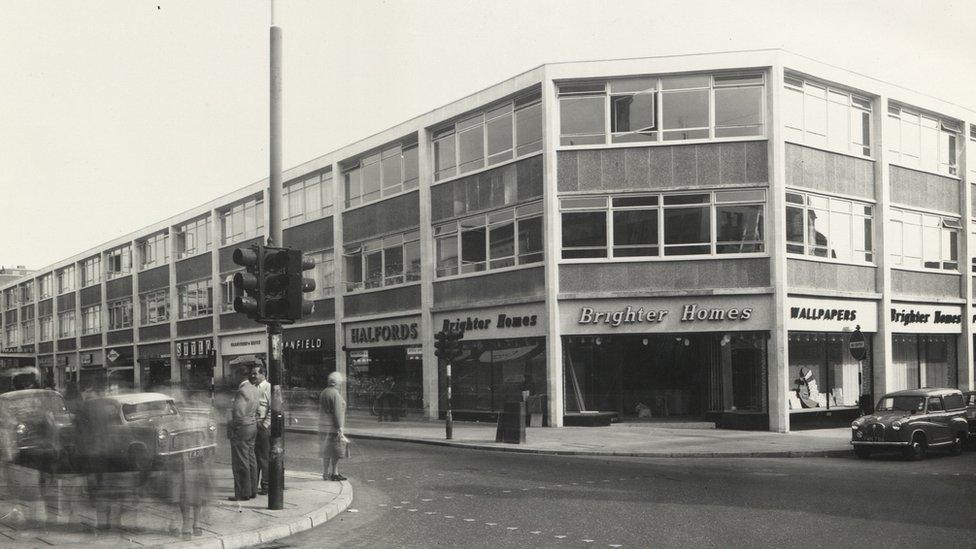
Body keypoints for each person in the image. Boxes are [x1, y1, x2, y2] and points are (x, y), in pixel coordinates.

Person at [229, 375, 261, 501]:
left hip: (242, 428)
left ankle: (243, 493)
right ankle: (253, 490)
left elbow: (238, 413)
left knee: (240, 461)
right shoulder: (254, 389)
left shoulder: (242, 391)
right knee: (251, 458)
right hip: (252, 426)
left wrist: (233, 427)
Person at [241, 364, 271, 495]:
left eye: (255, 373)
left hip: (262, 425)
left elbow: (273, 408)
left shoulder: (268, 387)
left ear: (263, 374)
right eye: (252, 373)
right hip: (253, 424)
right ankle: (254, 484)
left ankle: (266, 484)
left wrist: (265, 424)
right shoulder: (252, 387)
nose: (253, 375)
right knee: (253, 455)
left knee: (264, 457)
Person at [318, 372, 347, 481]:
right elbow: (337, 413)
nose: (341, 384)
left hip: (323, 425)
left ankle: (325, 473)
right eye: (340, 382)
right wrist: (340, 428)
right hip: (333, 427)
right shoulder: (335, 394)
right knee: (335, 451)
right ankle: (334, 473)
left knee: (326, 451)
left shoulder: (324, 392)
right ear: (336, 382)